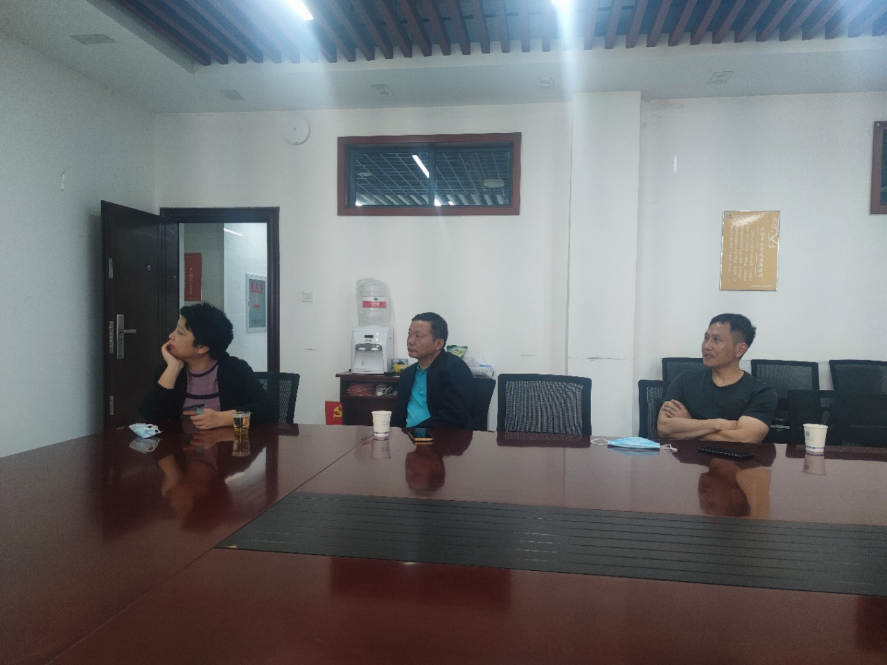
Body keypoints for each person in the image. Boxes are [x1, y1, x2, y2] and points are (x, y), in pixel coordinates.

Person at [140, 302, 275, 428]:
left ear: (202, 348)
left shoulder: (236, 369)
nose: (171, 335)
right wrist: (173, 368)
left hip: (226, 444)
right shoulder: (170, 368)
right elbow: (150, 415)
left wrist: (220, 419)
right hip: (180, 445)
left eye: (180, 332)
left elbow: (267, 410)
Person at [657, 313, 777, 443]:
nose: (706, 346)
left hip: (733, 457)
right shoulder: (684, 380)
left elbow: (745, 438)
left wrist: (688, 425)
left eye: (716, 340)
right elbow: (664, 428)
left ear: (739, 350)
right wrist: (719, 424)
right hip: (688, 456)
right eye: (706, 338)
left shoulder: (761, 392)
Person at [391, 312, 474, 430]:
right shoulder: (407, 374)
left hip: (440, 438)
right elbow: (399, 414)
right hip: (407, 437)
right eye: (409, 334)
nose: (410, 341)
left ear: (438, 343)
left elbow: (452, 417)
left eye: (418, 336)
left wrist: (417, 432)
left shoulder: (455, 369)